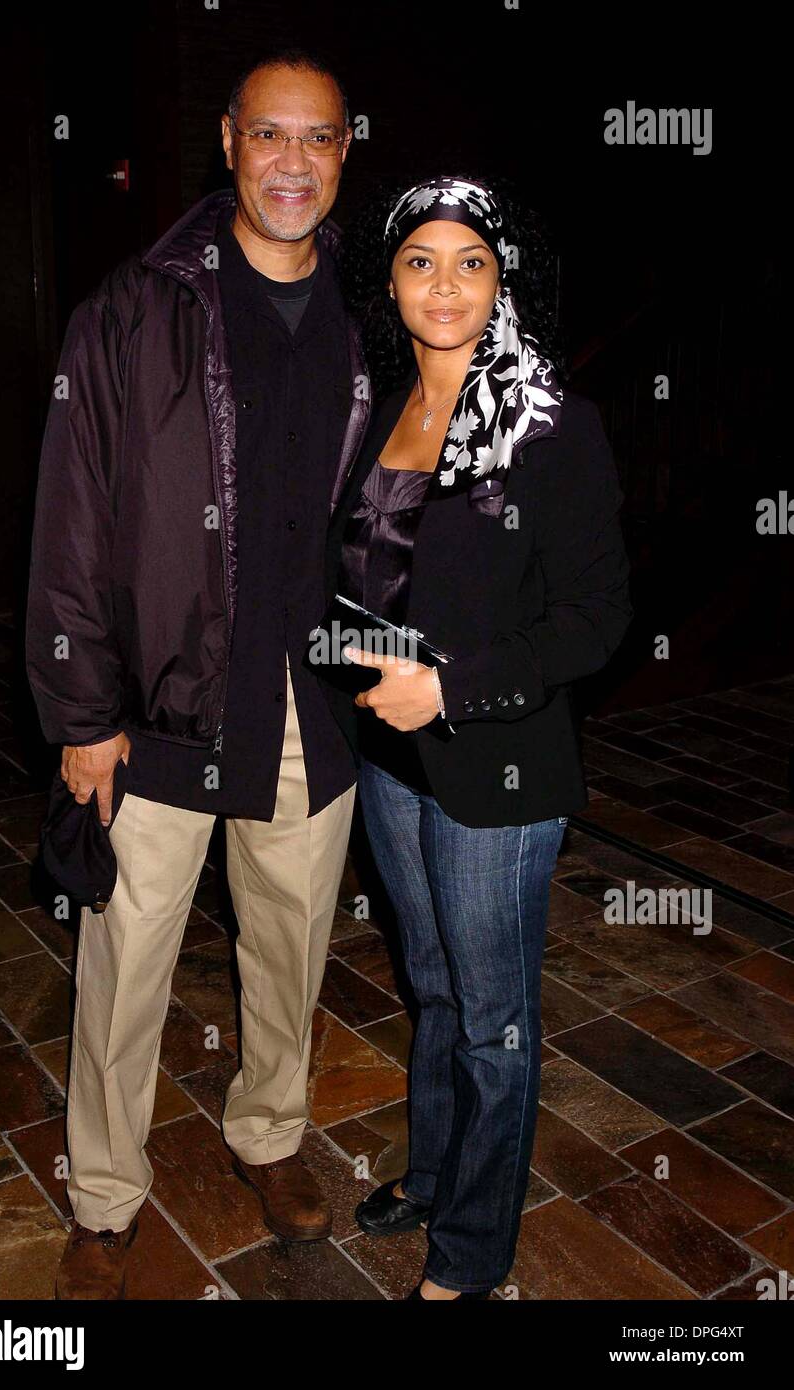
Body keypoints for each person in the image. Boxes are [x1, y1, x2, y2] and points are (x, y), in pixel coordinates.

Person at [25, 49, 371, 1300]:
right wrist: (82, 712)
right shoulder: (131, 313)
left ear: (345, 154)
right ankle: (107, 1196)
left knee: (292, 944)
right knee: (127, 957)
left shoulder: (369, 310)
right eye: (269, 135)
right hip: (162, 694)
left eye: (318, 139)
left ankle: (270, 1130)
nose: (292, 162)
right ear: (228, 142)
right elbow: (71, 524)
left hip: (306, 698)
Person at [320, 176, 632, 1299]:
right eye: (419, 261)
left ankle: (474, 1255)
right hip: (391, 759)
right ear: (389, 279)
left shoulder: (551, 422)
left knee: (493, 1017)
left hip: (495, 763)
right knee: (436, 988)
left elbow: (597, 619)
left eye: (470, 262)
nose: (443, 284)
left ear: (506, 280)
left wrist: (447, 687)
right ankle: (440, 1171)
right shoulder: (387, 404)